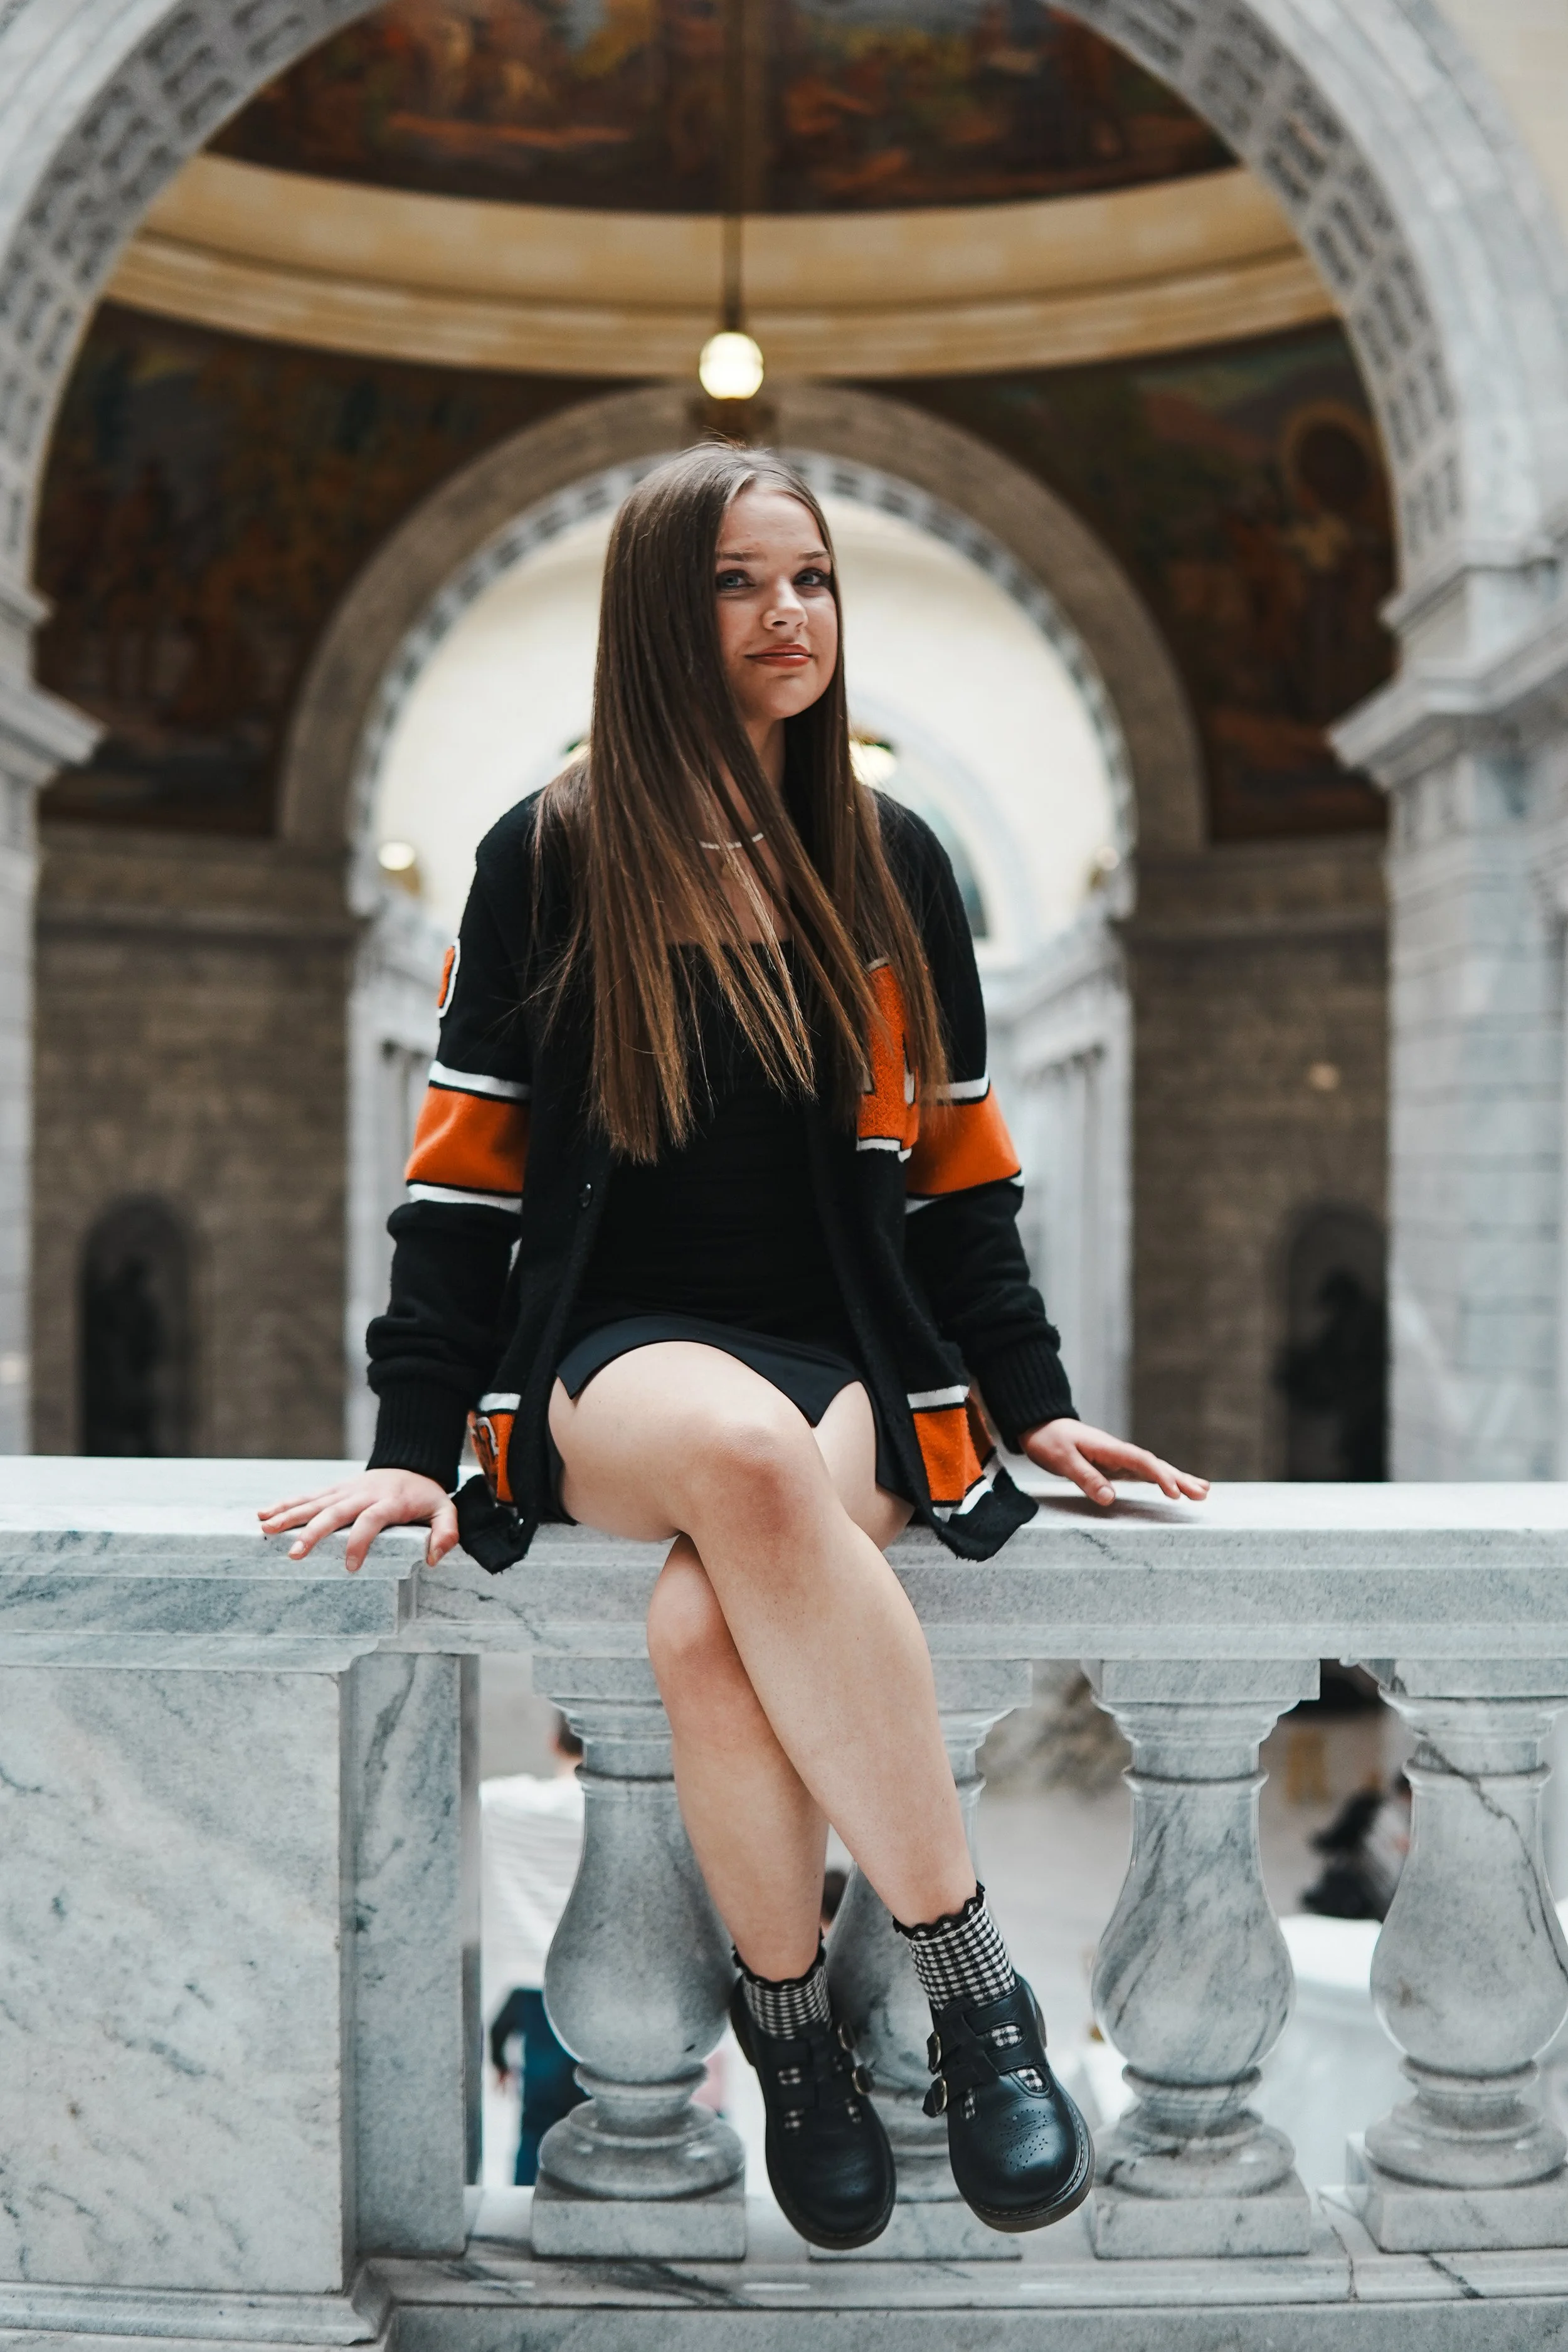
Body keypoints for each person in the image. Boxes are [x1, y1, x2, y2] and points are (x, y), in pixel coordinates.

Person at [261, 445, 1208, 2249]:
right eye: (736, 583)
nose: (788, 615)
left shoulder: (894, 858)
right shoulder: (548, 855)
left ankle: (788, 2037)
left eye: (812, 579)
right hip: (613, 1350)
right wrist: (407, 1430)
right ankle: (977, 1978)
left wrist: (1038, 1404)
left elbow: (956, 1175)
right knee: (753, 1470)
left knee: (708, 1615)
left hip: (846, 1343)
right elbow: (462, 1179)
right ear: (654, 615)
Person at [483, 1714, 588, 2185]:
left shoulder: (505, 1803)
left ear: (553, 1741)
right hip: (607, 1983)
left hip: (534, 1984)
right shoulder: (626, 1811)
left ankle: (528, 2216)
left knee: (539, 2121)